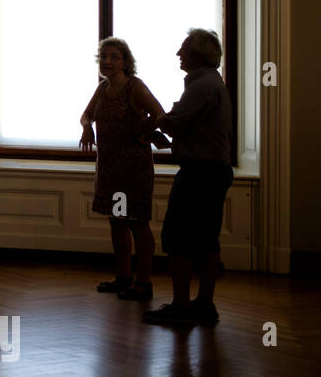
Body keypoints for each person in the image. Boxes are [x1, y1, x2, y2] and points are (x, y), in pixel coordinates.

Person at [145, 29, 234, 326]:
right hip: (213, 171)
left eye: (183, 49)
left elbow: (178, 124)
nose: (178, 54)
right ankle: (204, 305)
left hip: (199, 172)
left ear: (197, 54)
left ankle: (182, 306)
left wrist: (161, 120)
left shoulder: (200, 86)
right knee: (207, 240)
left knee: (177, 238)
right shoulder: (212, 83)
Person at [80, 37, 166, 300]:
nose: (107, 61)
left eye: (114, 56)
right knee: (117, 222)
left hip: (133, 168)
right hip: (109, 168)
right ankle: (123, 276)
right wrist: (87, 127)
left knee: (138, 223)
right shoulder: (103, 88)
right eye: (104, 56)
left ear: (126, 62)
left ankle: (145, 282)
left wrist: (144, 132)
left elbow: (160, 115)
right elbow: (86, 114)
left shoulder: (135, 87)